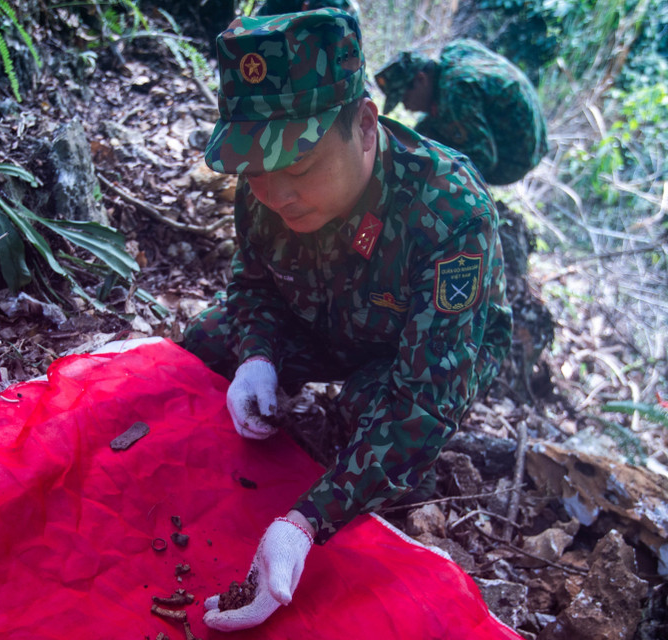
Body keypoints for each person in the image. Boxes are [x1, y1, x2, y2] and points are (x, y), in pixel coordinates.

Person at [180, 8, 513, 632]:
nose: (276, 194)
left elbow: (426, 399)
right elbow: (252, 286)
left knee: (368, 413)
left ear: (363, 125)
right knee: (205, 342)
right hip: (319, 317)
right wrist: (257, 356)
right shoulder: (265, 187)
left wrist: (305, 522)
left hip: (412, 348)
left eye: (299, 168)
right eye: (256, 171)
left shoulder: (450, 211)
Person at [374, 39, 549, 185]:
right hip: (532, 138)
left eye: (405, 98)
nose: (406, 107)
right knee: (420, 136)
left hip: (515, 157)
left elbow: (482, 158)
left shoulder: (455, 91)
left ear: (421, 79)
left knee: (428, 161)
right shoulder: (455, 52)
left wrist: (428, 180)